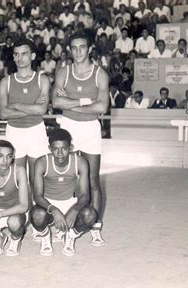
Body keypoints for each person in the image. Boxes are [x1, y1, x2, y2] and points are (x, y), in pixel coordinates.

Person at [53, 32, 108, 247]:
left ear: (90, 49)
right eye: (74, 48)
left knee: (93, 179)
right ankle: (69, 225)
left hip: (90, 128)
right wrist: (86, 100)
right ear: (70, 50)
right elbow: (56, 102)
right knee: (71, 179)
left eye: (82, 47)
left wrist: (71, 102)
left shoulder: (99, 74)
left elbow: (102, 106)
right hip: (69, 127)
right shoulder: (63, 73)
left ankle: (96, 226)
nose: (78, 52)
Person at [30, 128, 97, 256]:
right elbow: (37, 196)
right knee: (36, 215)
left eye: (64, 148)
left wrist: (75, 209)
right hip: (47, 203)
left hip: (69, 202)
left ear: (71, 147)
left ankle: (70, 236)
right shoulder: (42, 162)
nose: (60, 153)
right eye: (56, 149)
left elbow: (85, 195)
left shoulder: (80, 162)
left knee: (91, 215)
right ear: (50, 148)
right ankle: (45, 237)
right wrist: (53, 209)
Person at [0, 38, 50, 186]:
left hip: (36, 131)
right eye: (16, 54)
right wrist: (32, 108)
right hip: (14, 131)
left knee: (36, 178)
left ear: (32, 56)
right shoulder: (6, 81)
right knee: (16, 178)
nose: (19, 58)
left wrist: (15, 105)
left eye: (24, 54)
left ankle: (36, 209)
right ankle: (20, 209)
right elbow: (3, 113)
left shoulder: (43, 80)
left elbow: (42, 110)